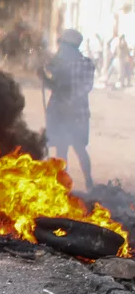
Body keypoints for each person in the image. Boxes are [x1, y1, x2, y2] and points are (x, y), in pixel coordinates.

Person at [41, 29, 95, 190]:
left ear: (70, 46)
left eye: (62, 45)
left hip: (69, 114)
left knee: (71, 149)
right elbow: (57, 86)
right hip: (70, 113)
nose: (60, 48)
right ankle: (75, 183)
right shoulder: (75, 63)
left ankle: (76, 184)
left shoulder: (77, 64)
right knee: (70, 149)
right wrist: (44, 75)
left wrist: (44, 77)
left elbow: (71, 88)